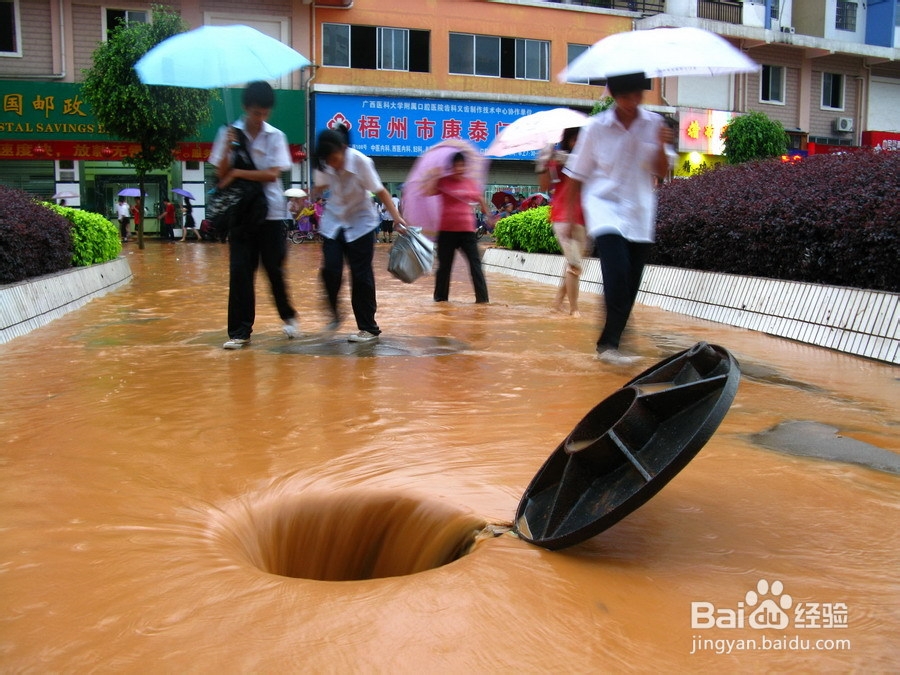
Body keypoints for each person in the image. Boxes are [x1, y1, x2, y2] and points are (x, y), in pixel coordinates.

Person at [564, 72, 674, 366]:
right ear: (613, 94)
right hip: (604, 208)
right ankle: (608, 345)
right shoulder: (596, 129)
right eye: (626, 96)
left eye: (637, 95)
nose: (632, 102)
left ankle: (615, 337)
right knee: (617, 273)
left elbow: (661, 172)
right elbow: (577, 175)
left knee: (630, 282)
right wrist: (572, 219)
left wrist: (662, 145)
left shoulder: (654, 124)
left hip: (639, 213)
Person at [208, 80, 299, 350]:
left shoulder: (275, 136)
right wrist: (227, 147)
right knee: (240, 273)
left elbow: (272, 173)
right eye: (256, 112)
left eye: (264, 113)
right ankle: (240, 332)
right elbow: (220, 175)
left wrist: (238, 172)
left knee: (274, 270)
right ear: (246, 107)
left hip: (270, 213)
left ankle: (288, 316)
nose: (260, 118)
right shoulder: (228, 132)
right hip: (241, 214)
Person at [311, 127, 406, 343]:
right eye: (329, 160)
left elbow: (380, 191)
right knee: (330, 270)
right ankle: (335, 313)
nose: (333, 164)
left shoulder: (361, 161)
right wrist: (313, 193)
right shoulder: (324, 162)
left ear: (343, 149)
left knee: (361, 276)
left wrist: (396, 217)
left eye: (335, 158)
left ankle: (368, 328)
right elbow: (322, 184)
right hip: (334, 223)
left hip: (361, 224)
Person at [425, 151, 495, 304]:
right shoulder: (443, 181)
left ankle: (483, 301)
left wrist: (488, 215)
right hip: (446, 232)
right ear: (451, 166)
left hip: (467, 231)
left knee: (475, 265)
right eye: (456, 165)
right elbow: (427, 192)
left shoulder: (470, 182)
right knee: (444, 268)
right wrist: (434, 176)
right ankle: (440, 301)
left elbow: (480, 199)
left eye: (462, 165)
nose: (459, 168)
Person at [537, 127, 586, 317]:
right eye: (574, 139)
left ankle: (557, 303)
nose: (578, 143)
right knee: (574, 265)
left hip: (583, 218)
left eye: (581, 139)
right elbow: (544, 186)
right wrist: (543, 163)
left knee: (573, 264)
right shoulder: (557, 159)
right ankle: (574, 310)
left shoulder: (588, 160)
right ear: (567, 140)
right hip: (564, 217)